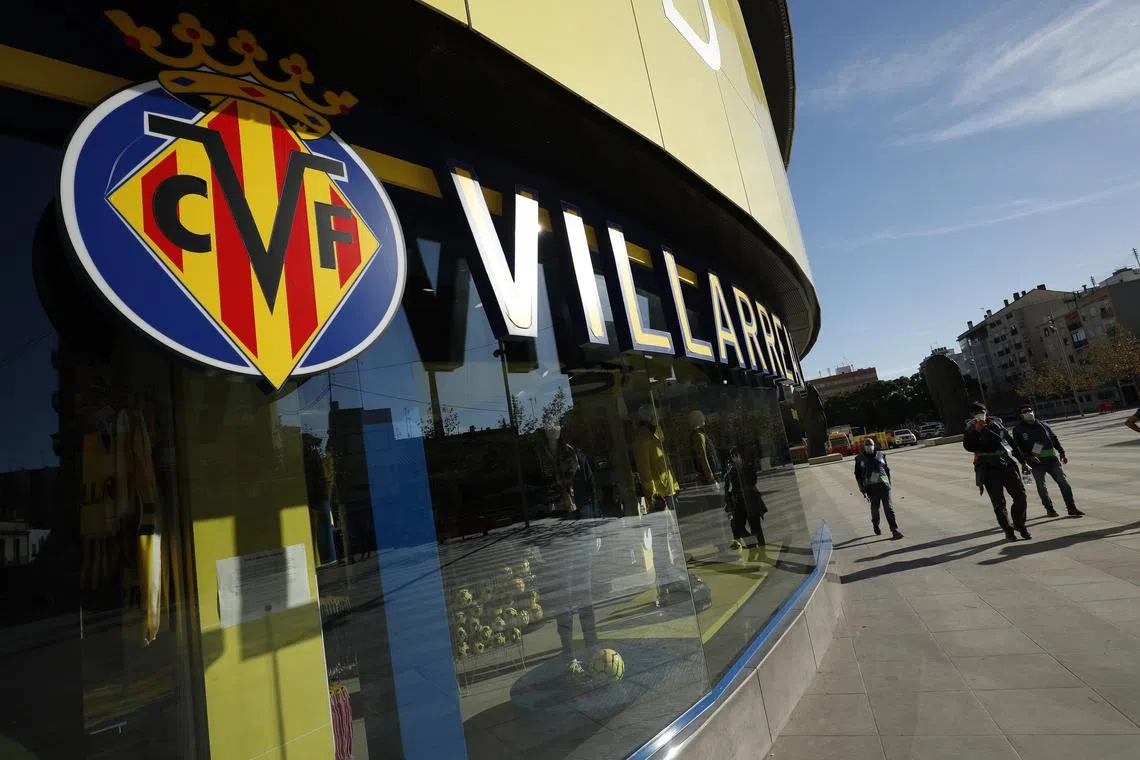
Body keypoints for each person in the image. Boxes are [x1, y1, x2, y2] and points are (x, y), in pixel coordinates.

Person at [963, 401, 1032, 541]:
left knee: (1020, 496)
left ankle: (1019, 525)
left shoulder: (996, 425)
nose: (979, 414)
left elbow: (1006, 443)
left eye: (981, 411)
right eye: (976, 412)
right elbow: (970, 446)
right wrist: (978, 431)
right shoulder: (970, 430)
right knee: (999, 503)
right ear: (972, 415)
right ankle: (1008, 530)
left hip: (1006, 465)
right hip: (988, 469)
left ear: (986, 411)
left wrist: (1023, 462)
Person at [1011, 404, 1084, 518]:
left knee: (1064, 483)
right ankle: (1049, 509)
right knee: (1042, 487)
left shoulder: (1043, 425)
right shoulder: (1018, 429)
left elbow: (1053, 438)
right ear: (1020, 415)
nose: (1028, 413)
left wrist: (1061, 452)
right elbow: (1018, 447)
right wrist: (1027, 458)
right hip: (1035, 463)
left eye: (1030, 410)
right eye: (1025, 412)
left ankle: (1071, 507)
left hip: (1052, 459)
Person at [854, 438, 904, 540]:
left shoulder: (881, 455)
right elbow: (858, 475)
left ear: (874, 444)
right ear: (864, 446)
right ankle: (875, 525)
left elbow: (886, 470)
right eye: (867, 444)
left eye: (870, 444)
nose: (869, 446)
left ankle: (894, 530)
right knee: (875, 510)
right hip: (871, 488)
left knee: (888, 509)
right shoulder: (859, 458)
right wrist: (861, 488)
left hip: (884, 486)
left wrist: (889, 483)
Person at [724, 446, 768, 553]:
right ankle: (752, 544)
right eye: (733, 456)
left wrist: (742, 468)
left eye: (736, 455)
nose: (735, 458)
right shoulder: (731, 472)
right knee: (738, 526)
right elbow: (728, 488)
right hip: (739, 503)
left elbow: (753, 480)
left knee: (756, 527)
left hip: (751, 501)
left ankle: (762, 549)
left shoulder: (747, 467)